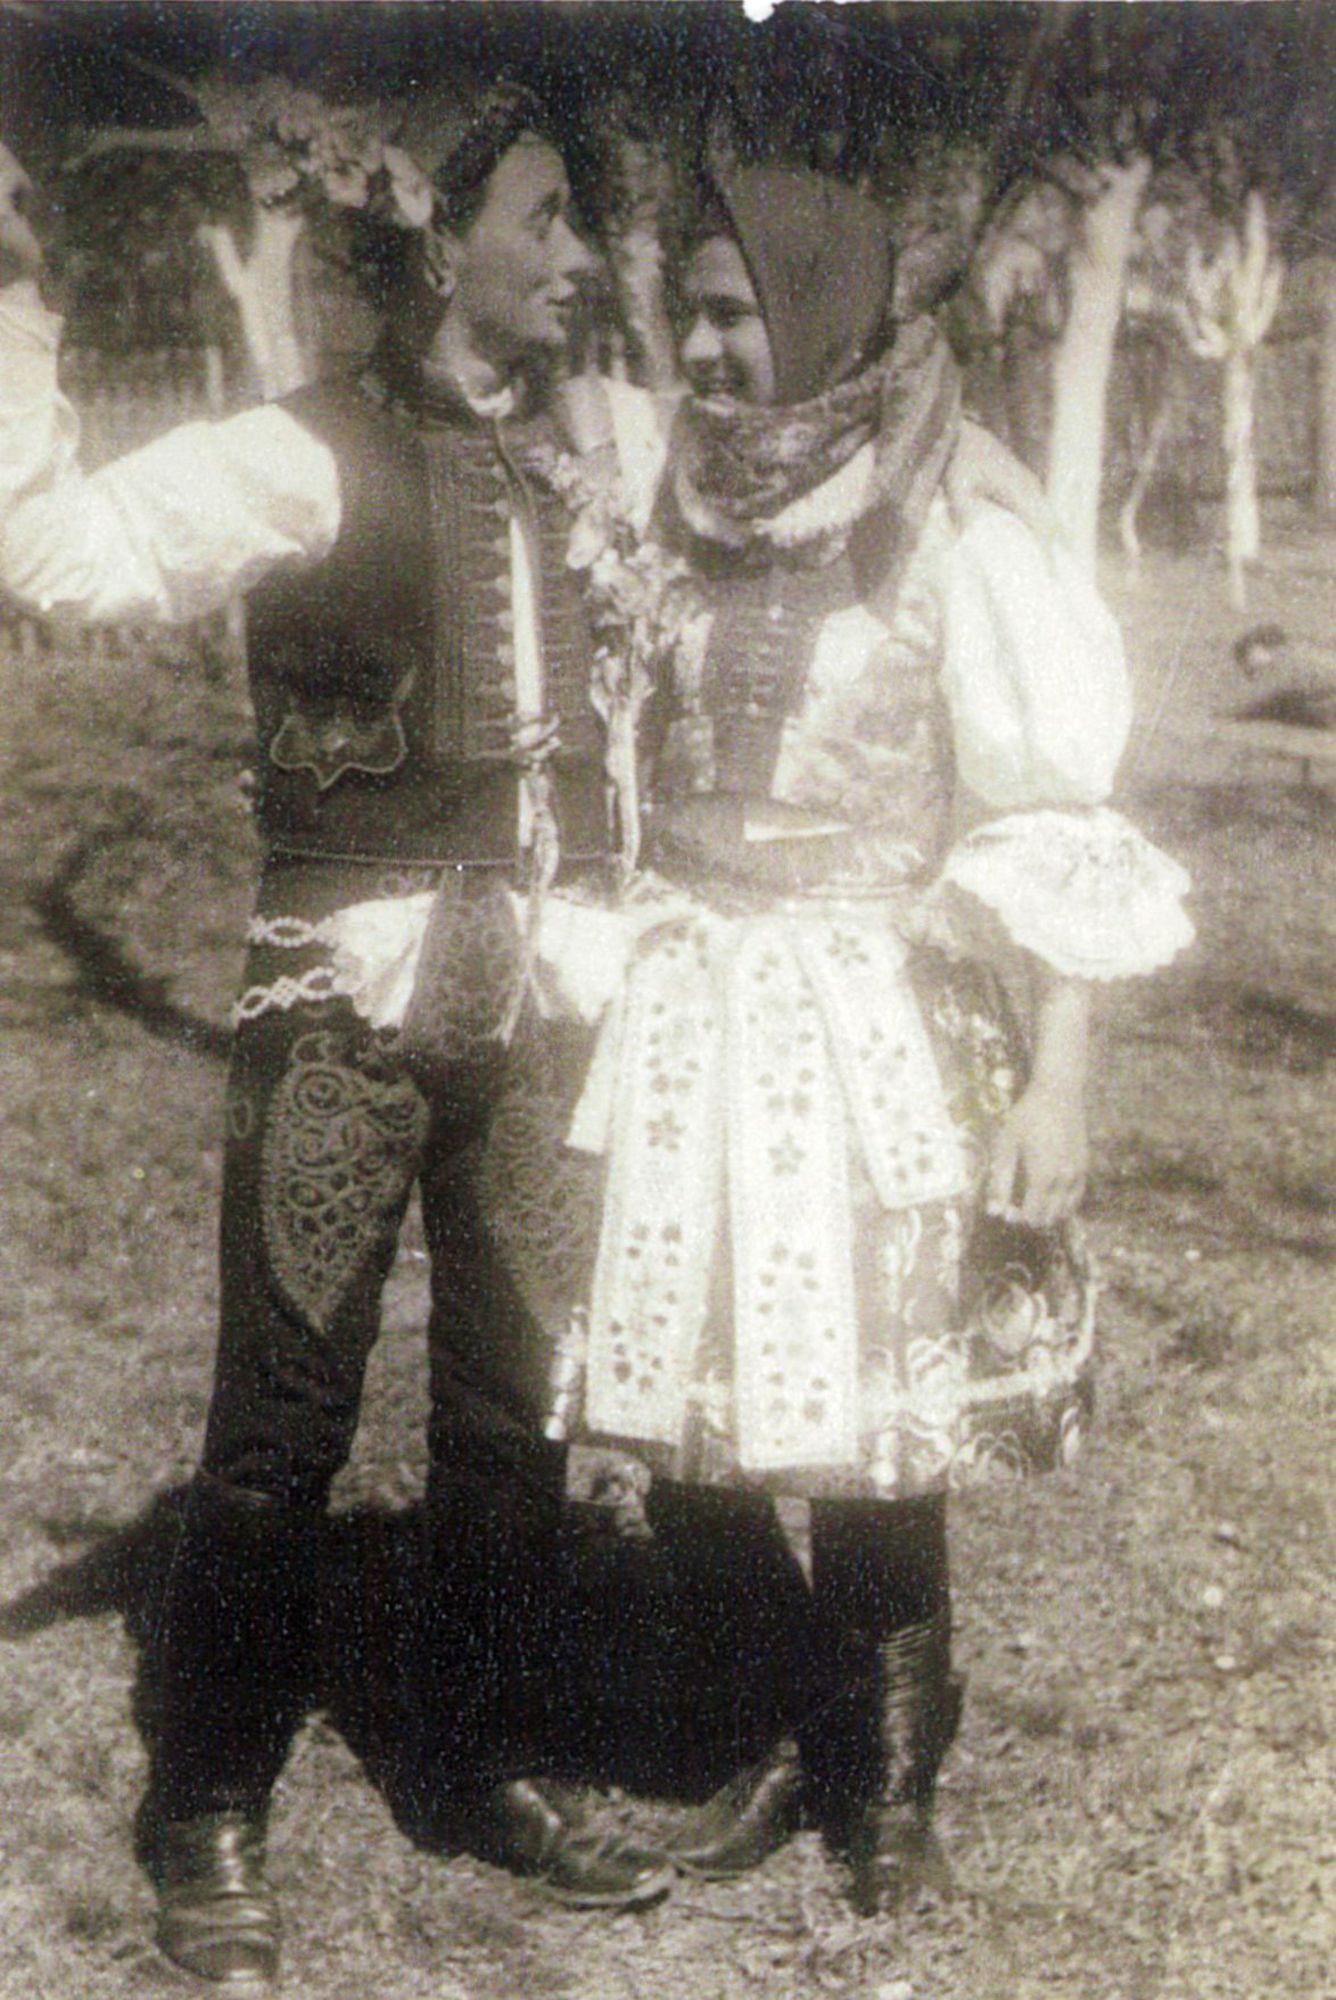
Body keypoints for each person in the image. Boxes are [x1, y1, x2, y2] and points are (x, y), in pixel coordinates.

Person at [0, 88, 678, 1989]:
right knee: (284, 1415)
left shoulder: (606, 446)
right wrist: (12, 304)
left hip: (546, 1000)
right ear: (438, 241)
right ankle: (207, 1798)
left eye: (583, 223)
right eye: (544, 220)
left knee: (514, 1406)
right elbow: (59, 555)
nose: (577, 261)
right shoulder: (298, 455)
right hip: (345, 1009)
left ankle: (478, 1758)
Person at [478, 163, 1196, 1915]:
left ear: (820, 315)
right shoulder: (672, 500)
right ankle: (780, 1726)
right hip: (689, 1009)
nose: (708, 352)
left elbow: (1051, 814)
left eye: (737, 317)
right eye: (691, 317)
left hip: (875, 1027)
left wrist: (1060, 1080)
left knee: (878, 1425)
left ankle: (888, 1777)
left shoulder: (957, 521)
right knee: (693, 1412)